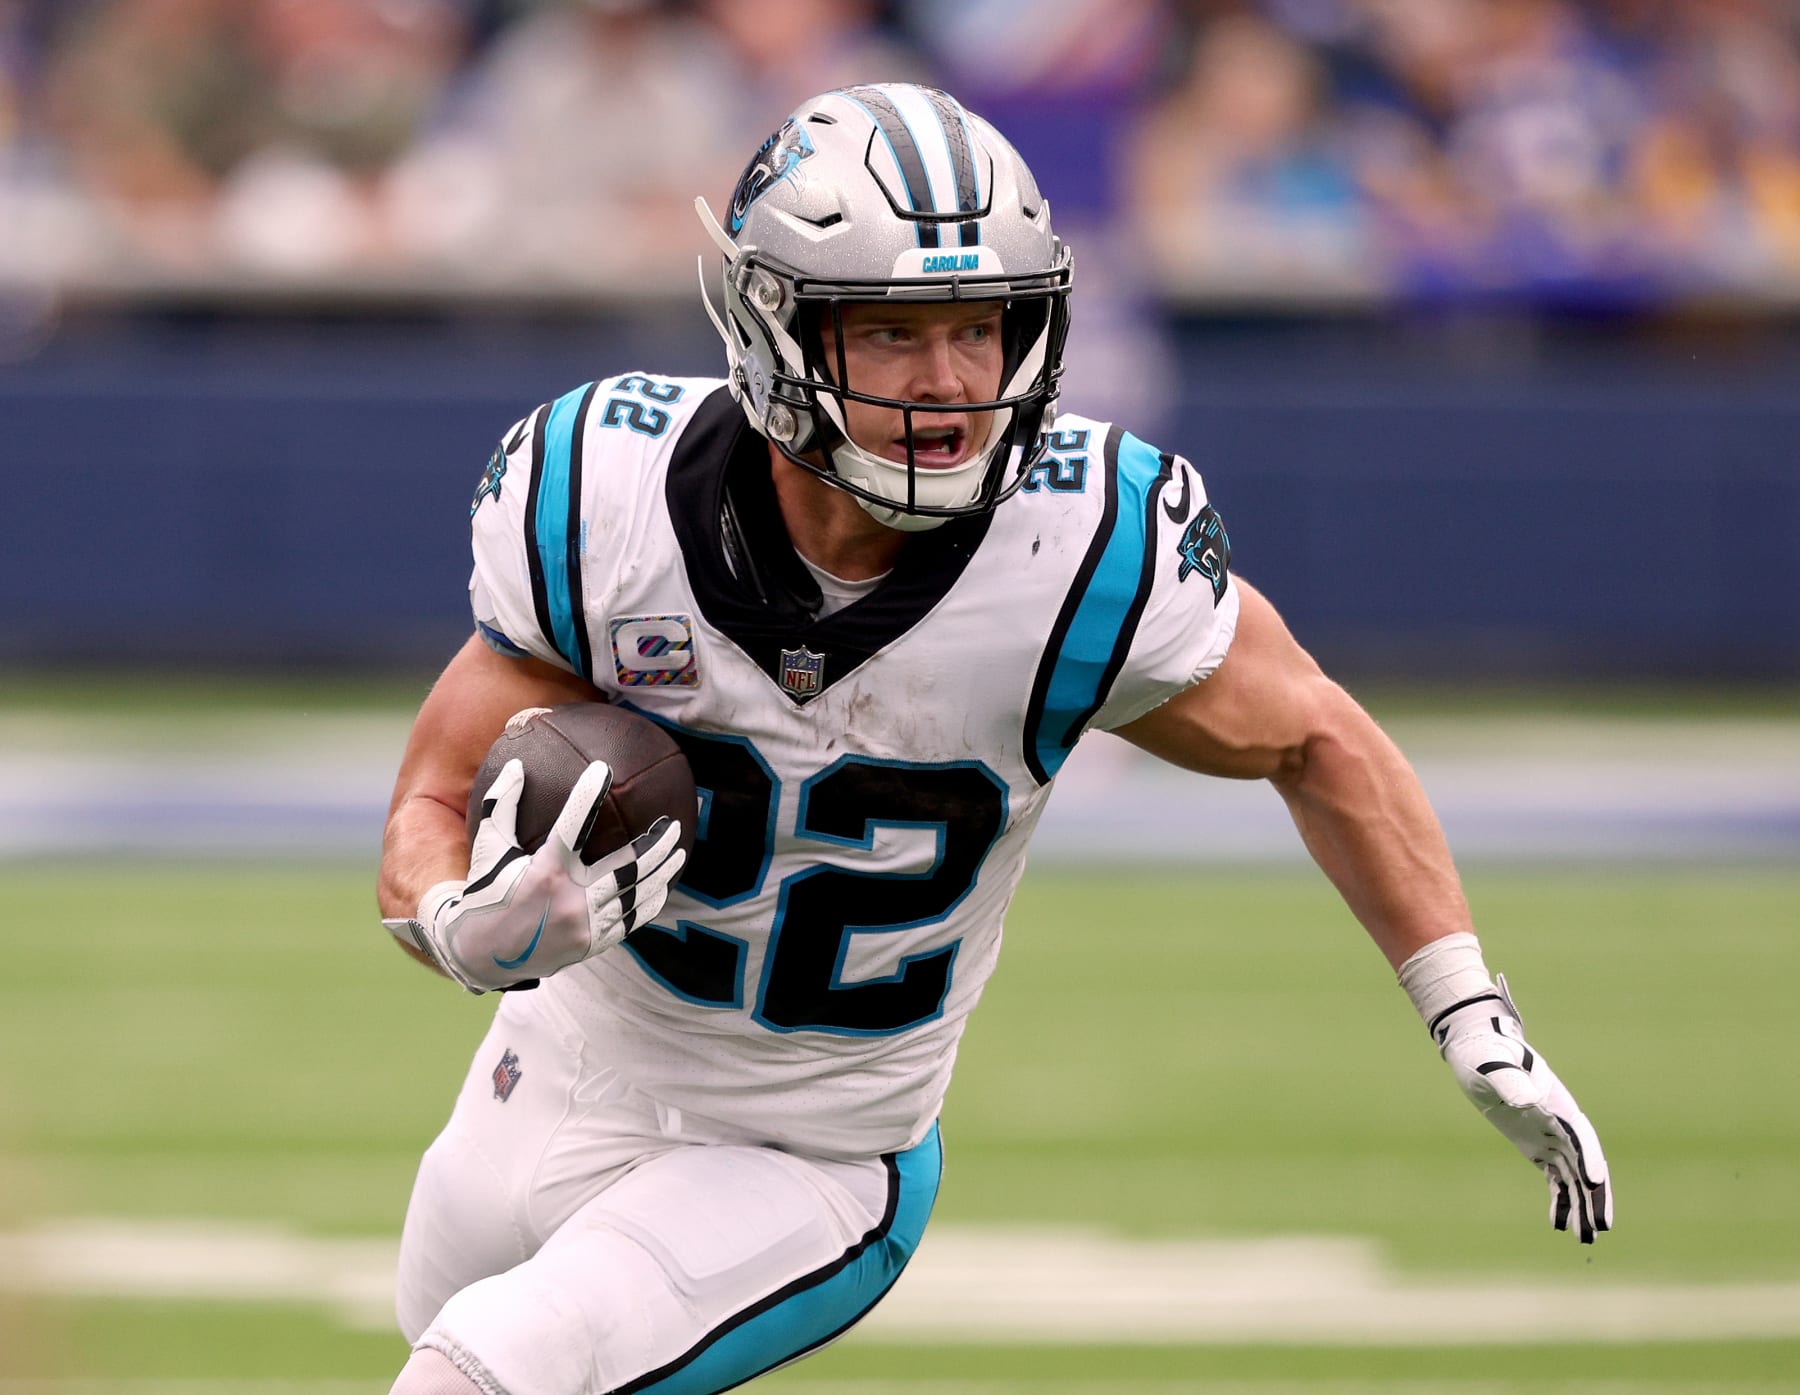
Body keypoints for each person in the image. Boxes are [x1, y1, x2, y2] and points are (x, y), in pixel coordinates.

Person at [377, 82, 1612, 1395]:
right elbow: (433, 794)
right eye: (897, 334)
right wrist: (460, 920)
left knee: (482, 1380)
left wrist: (1468, 1010)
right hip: (550, 1077)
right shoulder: (602, 497)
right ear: (769, 321)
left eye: (983, 328)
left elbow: (1316, 739)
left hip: (809, 1155)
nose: (955, 381)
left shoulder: (1078, 548)